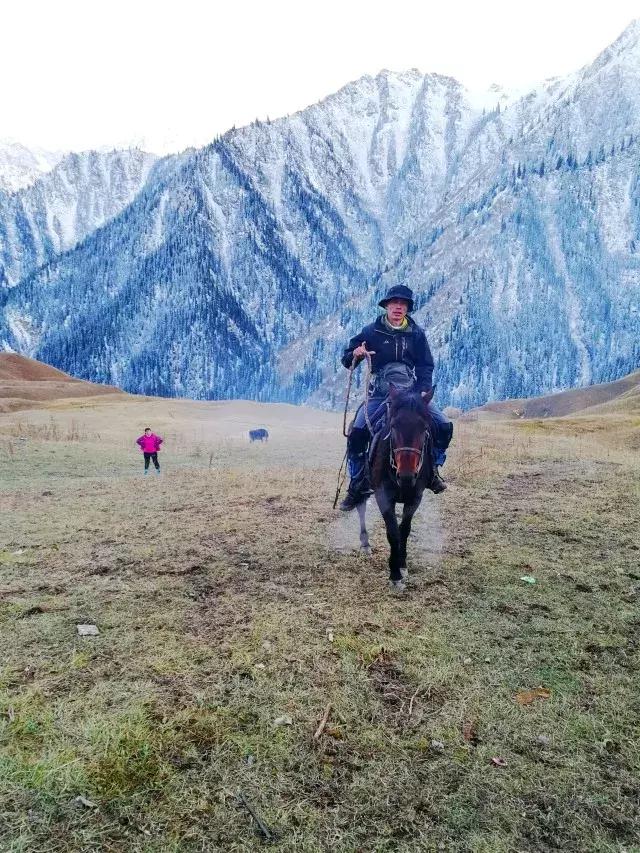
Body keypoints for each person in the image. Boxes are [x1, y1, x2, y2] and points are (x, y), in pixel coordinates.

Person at [339, 284, 453, 511]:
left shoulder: (417, 334)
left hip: (410, 393)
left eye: (403, 304)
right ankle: (357, 484)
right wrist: (356, 354)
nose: (399, 307)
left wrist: (423, 390)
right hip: (380, 393)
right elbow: (346, 358)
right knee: (357, 433)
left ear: (408, 308)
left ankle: (433, 471)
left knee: (443, 425)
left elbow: (425, 365)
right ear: (387, 306)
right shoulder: (371, 331)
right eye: (394, 303)